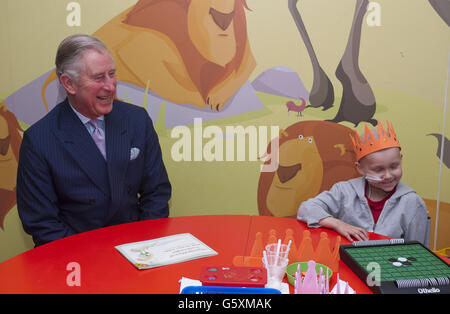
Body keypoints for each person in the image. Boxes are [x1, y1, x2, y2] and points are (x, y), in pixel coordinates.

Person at [17, 34, 172, 247]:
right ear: (69, 84)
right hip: (75, 258)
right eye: (99, 78)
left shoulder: (137, 120)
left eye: (112, 74)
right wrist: (92, 261)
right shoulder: (39, 140)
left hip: (136, 249)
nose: (110, 86)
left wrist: (143, 247)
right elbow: (42, 223)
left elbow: (156, 193)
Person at [297, 121, 429, 245]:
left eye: (394, 167)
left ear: (400, 160)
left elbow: (418, 251)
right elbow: (306, 209)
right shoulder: (344, 191)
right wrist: (338, 224)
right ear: (360, 168)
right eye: (378, 170)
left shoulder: (413, 203)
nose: (388, 175)